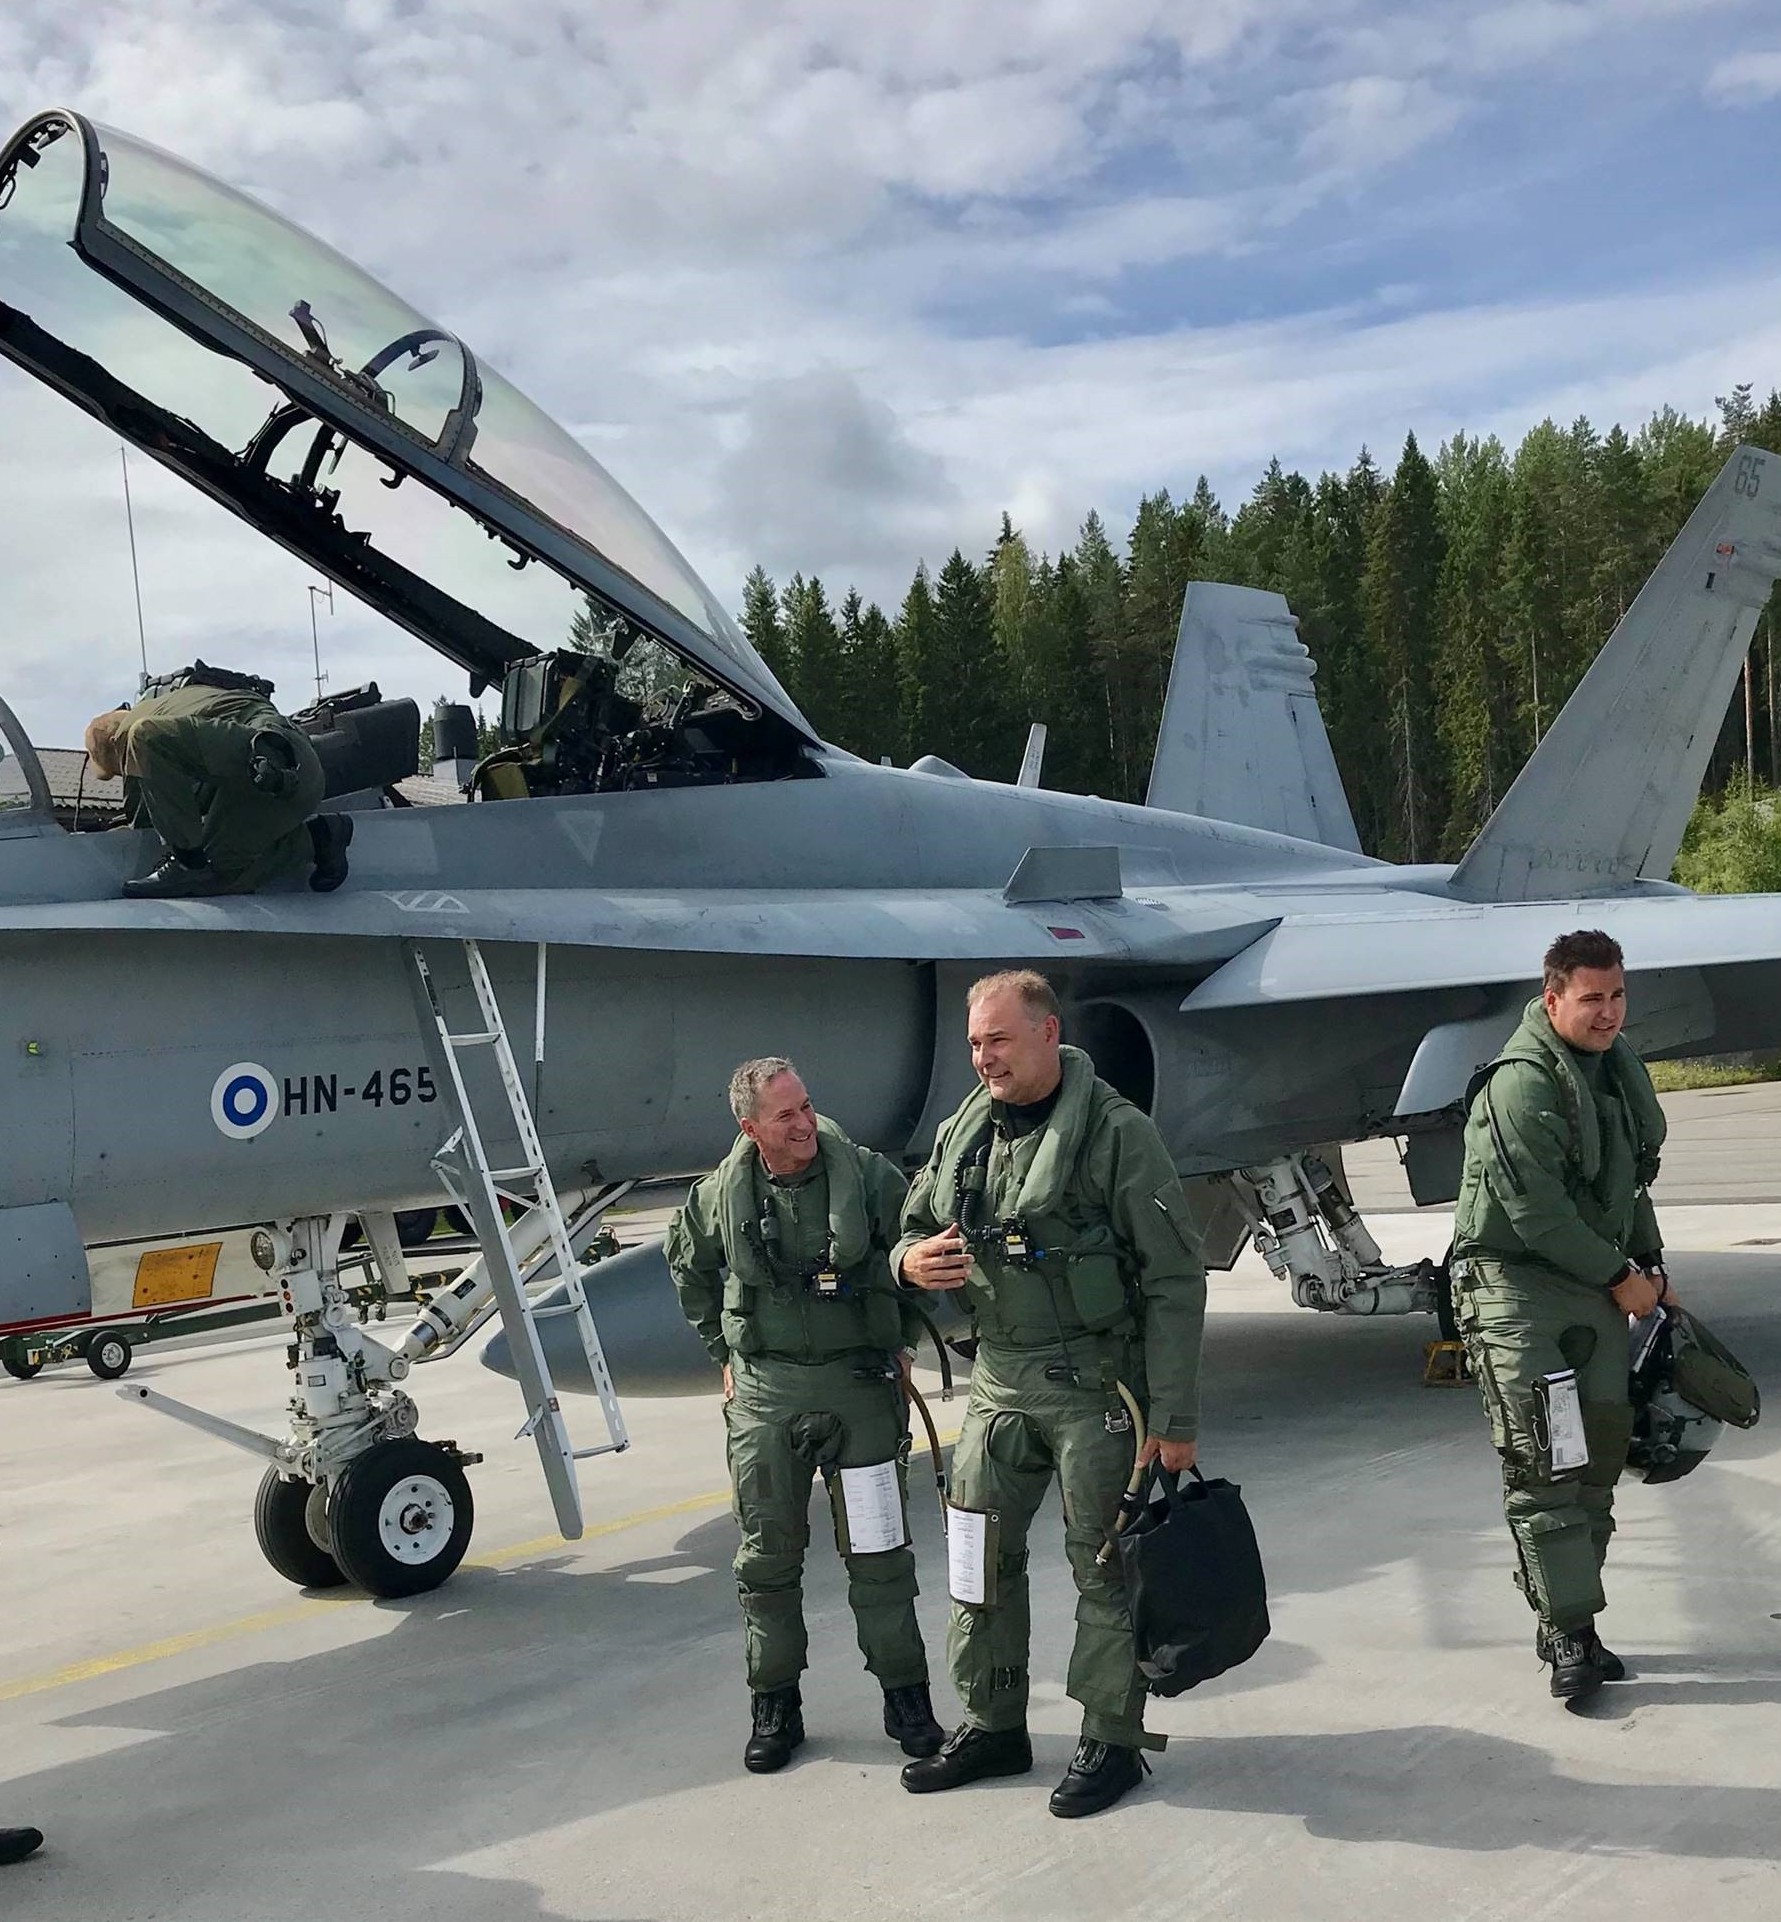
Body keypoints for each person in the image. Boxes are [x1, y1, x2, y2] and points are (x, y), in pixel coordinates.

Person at [894, 970, 1207, 1818]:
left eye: (997, 1039)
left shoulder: (1117, 1134)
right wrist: (907, 1262)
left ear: (1046, 1033)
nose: (982, 1058)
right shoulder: (965, 1132)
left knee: (1103, 1567)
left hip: (1093, 1386)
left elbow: (1174, 1279)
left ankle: (1111, 1739)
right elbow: (913, 1225)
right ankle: (993, 1724)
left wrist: (1173, 1416)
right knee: (976, 1559)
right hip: (997, 1380)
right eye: (973, 1043)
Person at [667, 1056, 944, 1774]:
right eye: (785, 1115)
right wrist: (722, 1353)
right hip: (766, 1394)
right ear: (750, 1128)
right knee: (765, 1562)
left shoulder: (868, 1177)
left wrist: (901, 1340)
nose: (803, 1125)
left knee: (881, 1558)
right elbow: (689, 1268)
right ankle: (775, 1705)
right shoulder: (717, 1197)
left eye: (806, 1106)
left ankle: (906, 1699)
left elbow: (912, 1250)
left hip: (859, 1386)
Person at [1450, 928, 1671, 1701]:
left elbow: (1624, 1185)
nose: (1607, 1012)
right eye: (1590, 999)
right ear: (1551, 1001)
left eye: (1616, 996)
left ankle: (1566, 1615)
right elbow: (1536, 1212)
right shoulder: (1520, 1085)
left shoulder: (1612, 1070)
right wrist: (1620, 1276)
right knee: (1546, 1461)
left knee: (1597, 1462)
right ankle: (1569, 1631)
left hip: (1591, 1281)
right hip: (1515, 1288)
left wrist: (1651, 1265)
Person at [84, 680, 352, 898]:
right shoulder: (176, 703)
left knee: (144, 736)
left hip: (268, 761)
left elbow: (142, 820)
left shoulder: (133, 735)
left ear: (114, 744)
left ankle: (187, 863)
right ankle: (319, 837)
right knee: (222, 875)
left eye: (119, 769)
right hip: (295, 768)